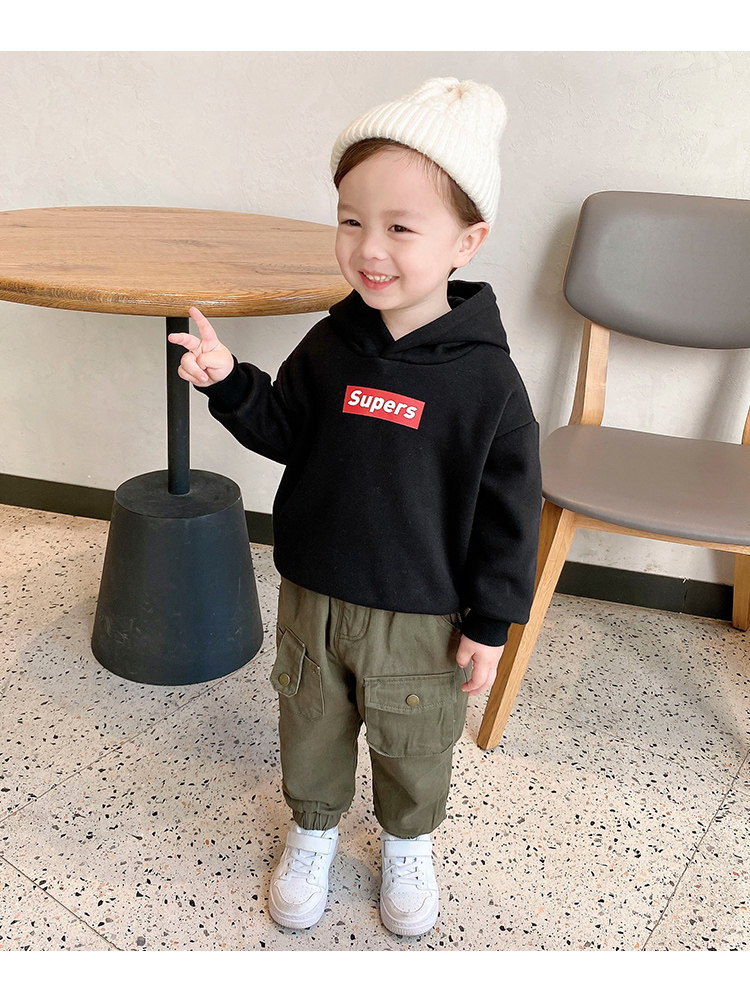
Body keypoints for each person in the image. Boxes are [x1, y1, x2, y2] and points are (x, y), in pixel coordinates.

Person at [168, 77, 542, 937]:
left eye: (400, 228)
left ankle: (407, 843)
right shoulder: (332, 342)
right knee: (310, 719)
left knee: (416, 739)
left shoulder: (487, 381)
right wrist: (230, 383)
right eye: (350, 220)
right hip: (316, 594)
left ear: (467, 240)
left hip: (421, 612)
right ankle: (312, 830)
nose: (369, 248)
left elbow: (510, 512)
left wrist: (490, 622)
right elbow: (285, 428)